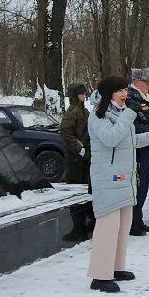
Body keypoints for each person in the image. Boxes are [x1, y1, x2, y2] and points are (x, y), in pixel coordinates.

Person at [85, 77, 149, 292]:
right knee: (107, 229)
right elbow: (111, 138)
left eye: (125, 90)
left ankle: (116, 268)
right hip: (108, 179)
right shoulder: (98, 115)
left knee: (122, 228)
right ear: (109, 94)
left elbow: (129, 142)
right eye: (120, 90)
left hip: (124, 179)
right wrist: (130, 115)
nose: (124, 94)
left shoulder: (120, 114)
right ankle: (100, 276)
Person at [125, 69, 149, 235]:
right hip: (139, 147)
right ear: (137, 81)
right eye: (146, 82)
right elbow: (134, 124)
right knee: (138, 184)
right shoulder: (131, 97)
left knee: (144, 184)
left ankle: (138, 219)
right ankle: (132, 222)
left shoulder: (147, 96)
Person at [58, 83, 94, 240]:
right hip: (75, 159)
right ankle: (78, 228)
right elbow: (66, 133)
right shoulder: (72, 112)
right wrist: (78, 149)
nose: (84, 95)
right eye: (82, 93)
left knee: (85, 191)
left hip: (84, 158)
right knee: (75, 193)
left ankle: (86, 224)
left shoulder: (84, 111)